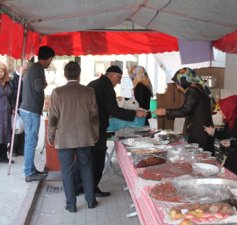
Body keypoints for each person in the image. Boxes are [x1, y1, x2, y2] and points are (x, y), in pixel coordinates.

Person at [77, 65, 147, 197]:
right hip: (97, 127)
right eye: (119, 78)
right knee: (97, 159)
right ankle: (92, 188)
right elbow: (114, 110)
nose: (119, 82)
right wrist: (135, 114)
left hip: (87, 126)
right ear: (112, 75)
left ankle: (81, 186)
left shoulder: (93, 83)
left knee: (88, 158)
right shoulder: (106, 86)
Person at [48, 61, 99, 213]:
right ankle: (91, 201)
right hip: (85, 136)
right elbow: (94, 116)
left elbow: (53, 117)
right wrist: (95, 133)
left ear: (65, 75)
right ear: (79, 74)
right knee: (86, 168)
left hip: (64, 138)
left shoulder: (57, 92)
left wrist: (51, 135)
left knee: (67, 171)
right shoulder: (89, 91)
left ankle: (71, 205)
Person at [154, 67, 214, 152]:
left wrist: (165, 111)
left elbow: (185, 110)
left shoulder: (192, 91)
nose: (177, 87)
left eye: (177, 84)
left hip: (200, 131)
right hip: (204, 130)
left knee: (198, 156)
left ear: (184, 80)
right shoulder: (199, 89)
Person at [19, 46, 55, 182]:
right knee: (31, 142)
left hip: (28, 109)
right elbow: (39, 86)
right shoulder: (38, 69)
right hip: (31, 110)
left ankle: (31, 169)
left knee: (30, 141)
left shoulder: (33, 68)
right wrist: (45, 84)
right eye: (51, 60)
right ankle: (29, 172)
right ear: (49, 58)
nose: (51, 62)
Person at [11, 61, 31, 156]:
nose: (26, 70)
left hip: (24, 105)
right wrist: (14, 107)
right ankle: (13, 149)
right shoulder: (13, 77)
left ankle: (20, 149)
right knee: (16, 128)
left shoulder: (25, 76)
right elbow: (12, 95)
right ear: (20, 66)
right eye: (25, 68)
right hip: (16, 105)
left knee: (23, 127)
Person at [0, 62, 13, 163]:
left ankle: (4, 156)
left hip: (7, 111)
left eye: (2, 71)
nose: (1, 73)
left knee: (5, 133)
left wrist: (13, 108)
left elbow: (12, 96)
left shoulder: (9, 82)